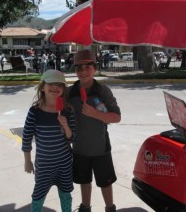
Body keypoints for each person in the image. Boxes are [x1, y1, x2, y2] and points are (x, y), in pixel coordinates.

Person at [67, 49, 121, 212]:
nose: (83, 72)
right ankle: (85, 207)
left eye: (87, 67)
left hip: (100, 147)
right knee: (84, 181)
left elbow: (117, 117)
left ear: (95, 68)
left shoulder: (103, 91)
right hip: (79, 148)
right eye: (78, 68)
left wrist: (95, 113)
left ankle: (110, 207)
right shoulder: (70, 92)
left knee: (105, 182)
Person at [22, 70, 76, 212]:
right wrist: (27, 160)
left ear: (63, 89)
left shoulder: (67, 110)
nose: (55, 87)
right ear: (42, 87)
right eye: (51, 83)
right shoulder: (35, 112)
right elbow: (26, 137)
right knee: (39, 195)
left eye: (60, 84)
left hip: (64, 163)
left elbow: (73, 138)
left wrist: (65, 125)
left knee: (65, 193)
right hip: (44, 165)